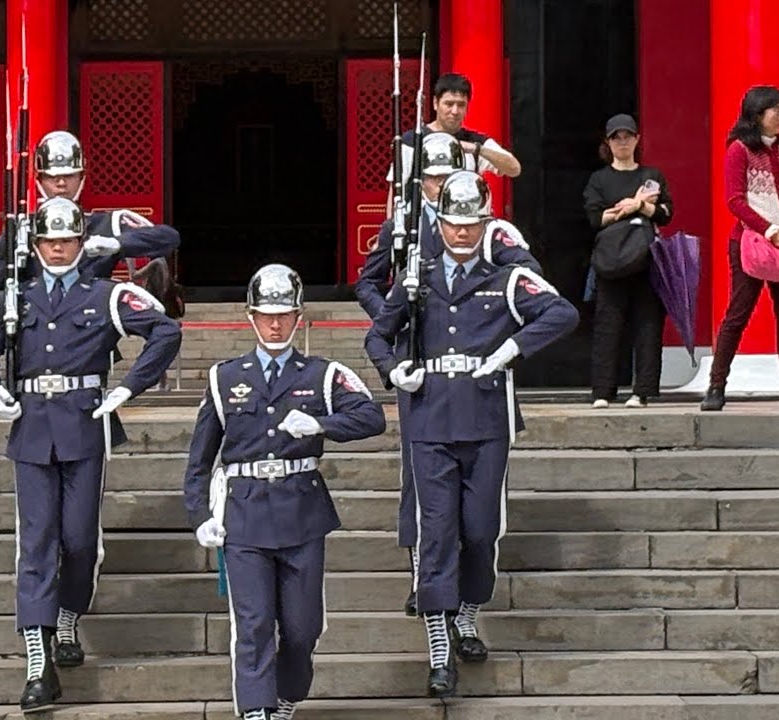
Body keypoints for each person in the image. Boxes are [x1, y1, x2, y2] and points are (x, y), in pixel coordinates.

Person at [364, 172, 578, 698]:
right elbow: (377, 334)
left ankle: (468, 612)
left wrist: (514, 349)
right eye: (454, 223)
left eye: (472, 224)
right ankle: (439, 648)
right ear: (443, 222)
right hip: (431, 416)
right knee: (436, 532)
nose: (462, 233)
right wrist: (393, 370)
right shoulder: (418, 277)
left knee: (481, 529)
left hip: (484, 419)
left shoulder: (506, 276)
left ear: (486, 223)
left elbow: (562, 312)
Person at [0, 197, 182, 713]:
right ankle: (39, 665)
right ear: (37, 247)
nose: (59, 248)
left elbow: (165, 331)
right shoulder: (18, 298)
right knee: (38, 543)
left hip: (85, 426)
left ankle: (69, 614)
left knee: (80, 540)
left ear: (80, 243)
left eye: (67, 240)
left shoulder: (106, 294)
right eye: (50, 241)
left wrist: (129, 388)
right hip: (31, 429)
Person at [183, 264, 386, 720]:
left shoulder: (323, 374)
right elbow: (199, 459)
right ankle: (256, 710)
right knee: (252, 625)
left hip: (300, 510)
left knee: (301, 628)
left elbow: (373, 417)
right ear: (250, 317)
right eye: (265, 315)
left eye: (284, 315)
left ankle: (287, 695)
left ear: (300, 316)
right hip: (245, 512)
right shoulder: (223, 377)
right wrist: (200, 516)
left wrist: (322, 424)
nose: (275, 324)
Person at [358, 137, 538, 616]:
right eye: (433, 179)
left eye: (447, 176)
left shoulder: (493, 232)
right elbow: (368, 281)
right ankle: (426, 581)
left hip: (476, 373)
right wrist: (400, 316)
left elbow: (526, 276)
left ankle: (463, 598)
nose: (440, 187)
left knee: (476, 509)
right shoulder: (404, 225)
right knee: (421, 488)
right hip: (420, 363)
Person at [0, 130, 181, 323]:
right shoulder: (22, 229)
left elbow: (168, 238)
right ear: (39, 179)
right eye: (52, 177)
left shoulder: (106, 224)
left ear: (82, 176)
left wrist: (115, 243)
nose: (61, 184)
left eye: (69, 176)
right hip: (36, 338)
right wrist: (1, 327)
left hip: (92, 338)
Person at [703, 86, 779, 412]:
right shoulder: (739, 150)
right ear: (757, 114)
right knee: (737, 316)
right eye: (775, 110)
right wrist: (770, 230)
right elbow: (734, 200)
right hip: (749, 245)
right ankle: (716, 385)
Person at [582, 114, 673, 408]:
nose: (623, 142)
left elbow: (667, 213)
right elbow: (596, 218)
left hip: (646, 261)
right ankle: (602, 391)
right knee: (607, 326)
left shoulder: (652, 176)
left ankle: (642, 391)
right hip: (611, 261)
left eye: (627, 136)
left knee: (647, 324)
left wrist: (641, 205)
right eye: (616, 137)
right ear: (608, 143)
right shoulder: (599, 179)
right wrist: (628, 209)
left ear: (637, 139)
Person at [386, 73, 522, 213]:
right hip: (422, 226)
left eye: (461, 105)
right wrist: (390, 230)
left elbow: (514, 168)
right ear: (435, 103)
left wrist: (478, 149)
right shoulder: (412, 141)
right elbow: (396, 189)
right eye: (449, 104)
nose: (455, 111)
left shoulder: (474, 141)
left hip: (463, 225)